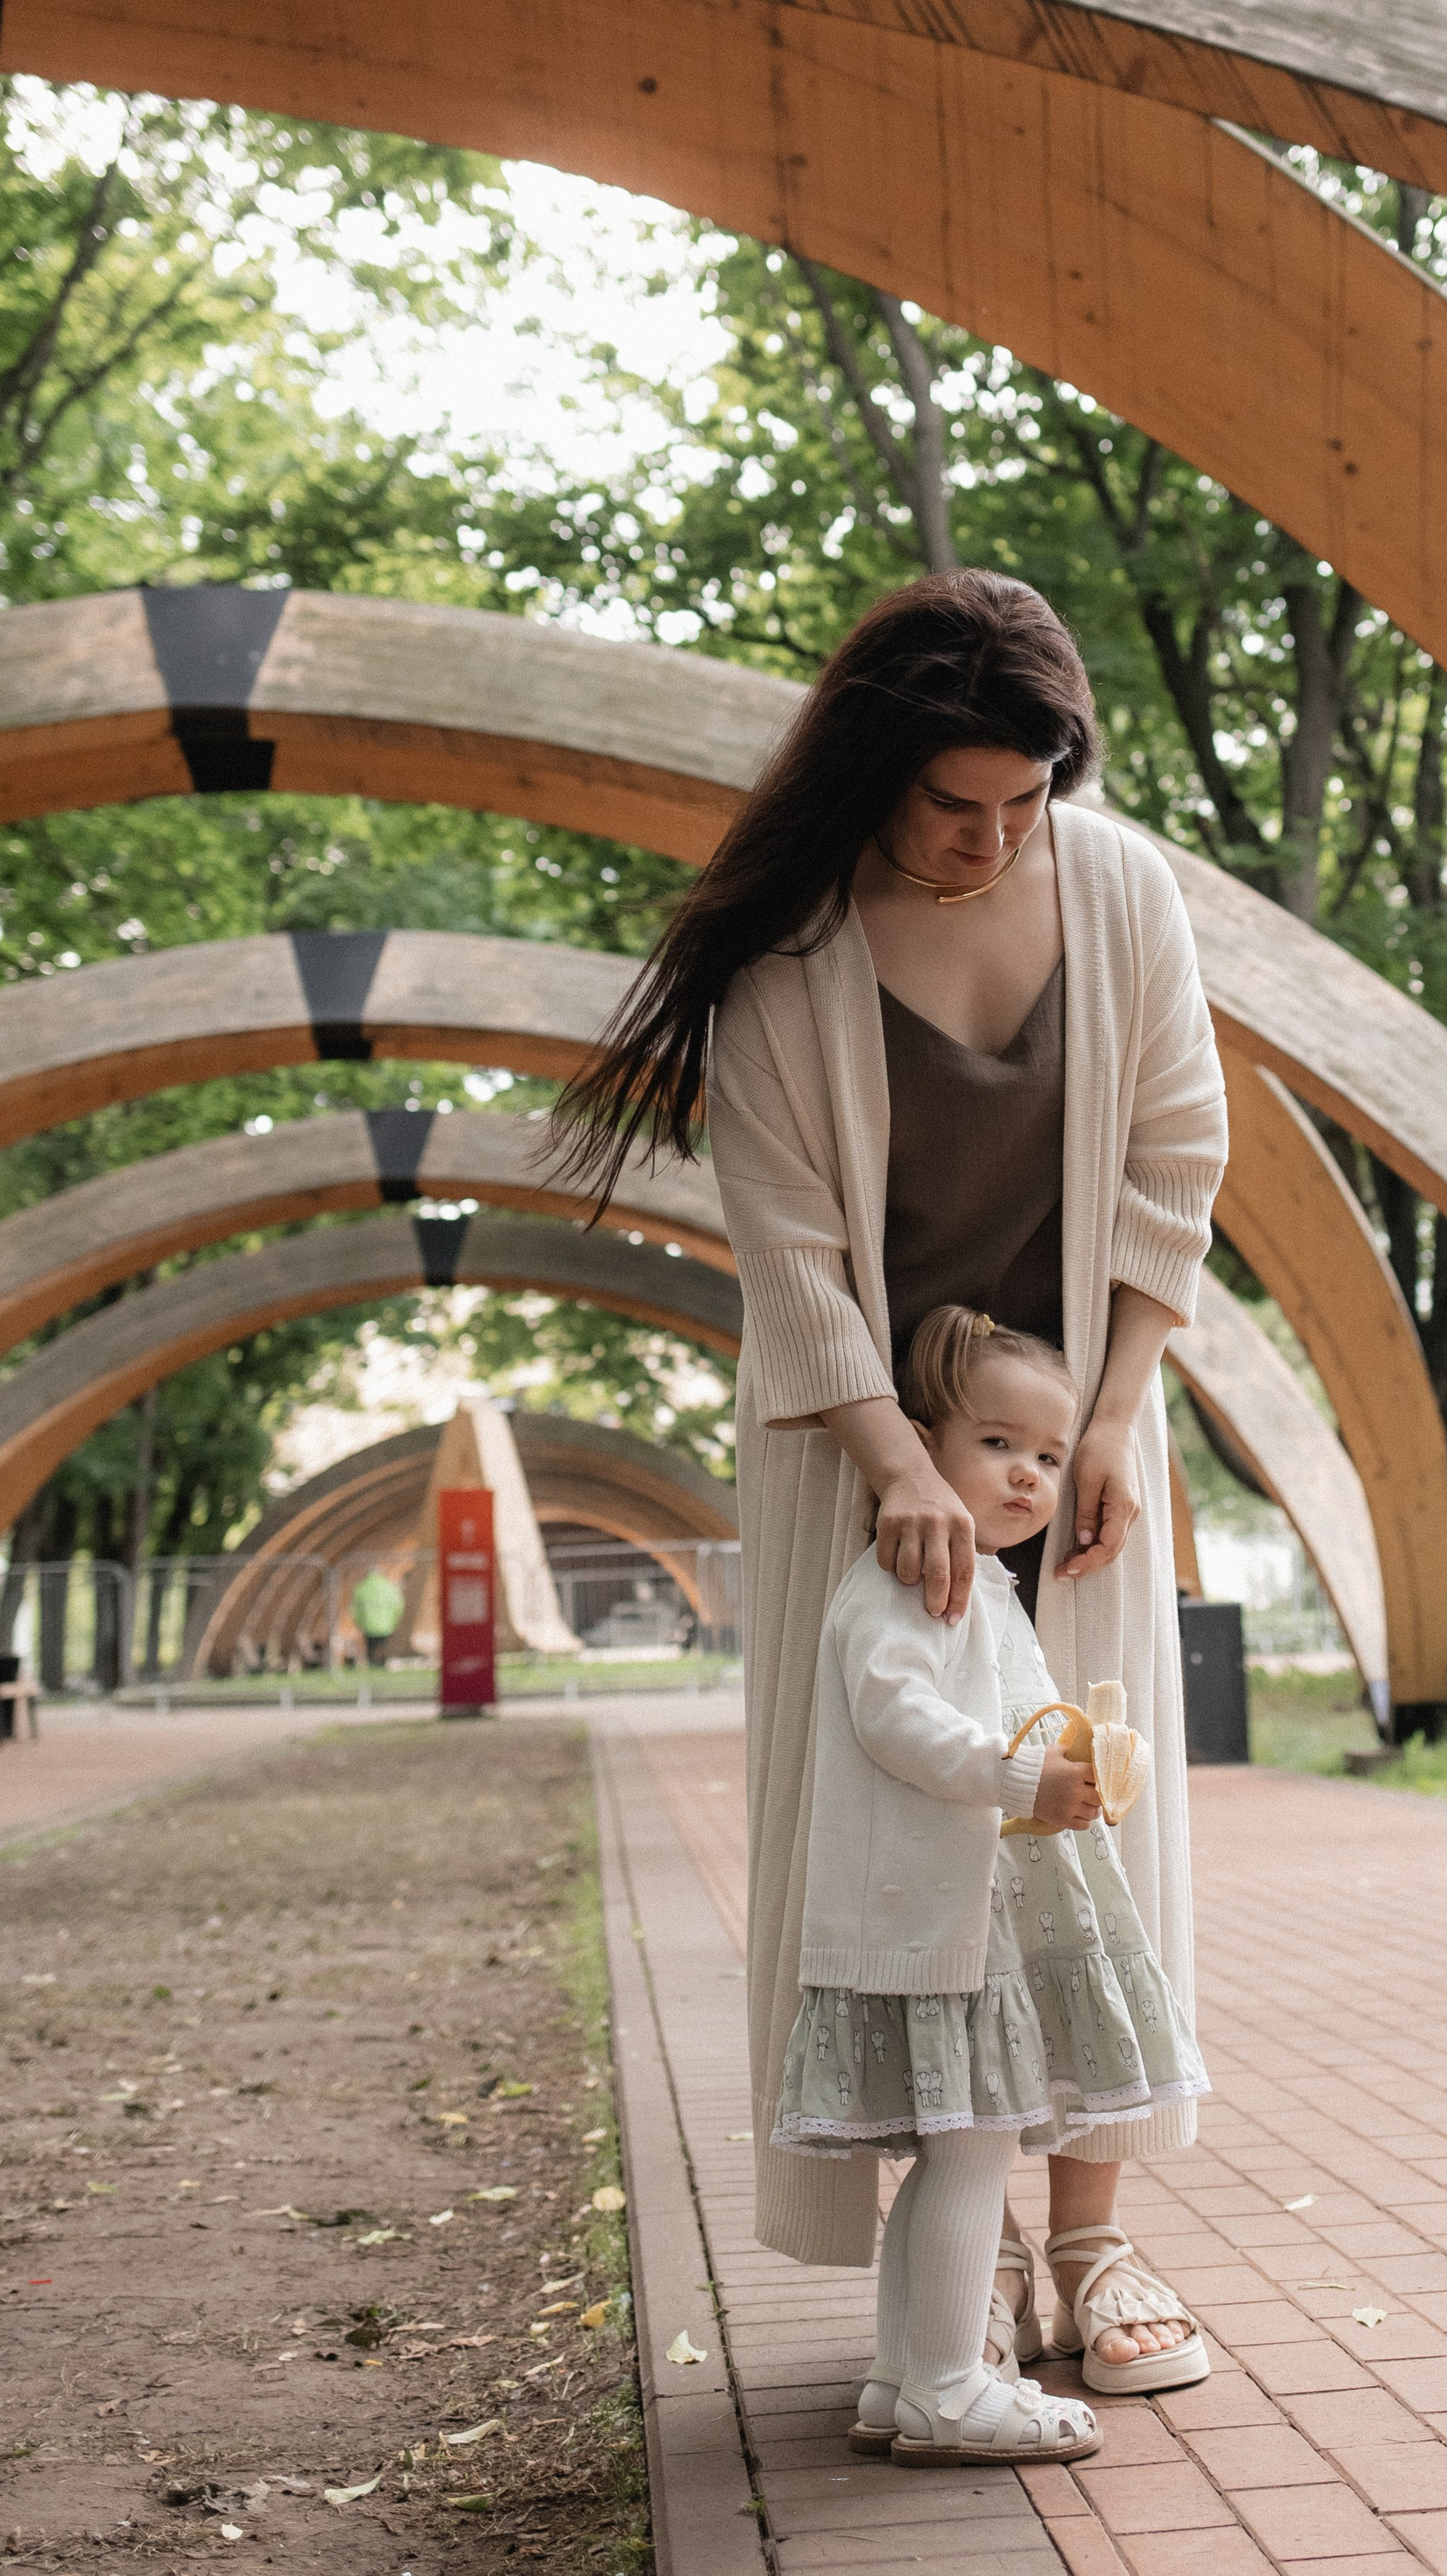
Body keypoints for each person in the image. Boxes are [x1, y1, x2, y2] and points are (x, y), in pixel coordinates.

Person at [557, 570, 1226, 2383]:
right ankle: (968, 2233)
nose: (997, 836)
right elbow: (779, 1241)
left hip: (1071, 1430)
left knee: (1086, 1812)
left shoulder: (1119, 889)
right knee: (907, 1831)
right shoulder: (786, 953)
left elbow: (1177, 1146)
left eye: (1027, 799)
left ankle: (1091, 2249)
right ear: (875, 771)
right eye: (958, 803)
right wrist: (886, 1464)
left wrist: (1110, 1406)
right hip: (861, 1437)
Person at [774, 1308, 1208, 2462]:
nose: (1029, 1476)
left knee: (951, 2152)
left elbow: (1017, 1718)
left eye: (1050, 1458)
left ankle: (905, 2378)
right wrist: (1019, 1774)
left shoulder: (982, 1586)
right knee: (971, 2151)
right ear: (922, 1446)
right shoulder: (906, 1582)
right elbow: (899, 1718)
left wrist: (1096, 1768)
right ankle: (955, 2382)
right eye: (998, 1445)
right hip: (935, 1925)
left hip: (958, 1925)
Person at [350, 1565, 404, 1668]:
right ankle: (383, 1664)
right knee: (383, 1647)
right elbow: (399, 1605)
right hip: (386, 1625)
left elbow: (354, 1609)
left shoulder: (361, 1588)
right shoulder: (389, 1587)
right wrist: (394, 1621)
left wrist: (359, 1623)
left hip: (368, 1625)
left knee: (371, 1648)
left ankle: (373, 1665)